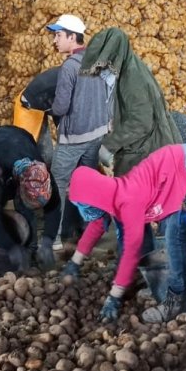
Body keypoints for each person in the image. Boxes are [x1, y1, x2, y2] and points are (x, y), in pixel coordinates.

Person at [64, 143, 186, 323]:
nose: (83, 210)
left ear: (94, 197)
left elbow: (131, 250)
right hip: (171, 169)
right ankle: (180, 287)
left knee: (176, 237)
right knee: (172, 236)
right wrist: (75, 261)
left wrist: (114, 297)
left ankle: (182, 299)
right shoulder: (110, 194)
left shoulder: (128, 201)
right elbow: (97, 224)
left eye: (83, 205)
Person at [47, 15, 112, 251]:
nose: (55, 40)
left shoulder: (69, 67)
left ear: (72, 37)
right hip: (96, 134)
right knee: (89, 182)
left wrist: (50, 108)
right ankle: (90, 229)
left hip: (73, 138)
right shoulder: (99, 64)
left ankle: (52, 237)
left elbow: (62, 107)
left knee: (57, 184)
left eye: (58, 35)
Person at [79, 26, 180, 176]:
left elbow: (140, 122)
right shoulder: (127, 68)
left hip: (149, 151)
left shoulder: (134, 78)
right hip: (143, 150)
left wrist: (108, 146)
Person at [0, 125, 62, 279]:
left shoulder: (42, 175)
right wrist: (11, 247)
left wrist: (47, 240)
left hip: (22, 137)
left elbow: (54, 207)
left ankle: (31, 251)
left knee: (26, 209)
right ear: (21, 186)